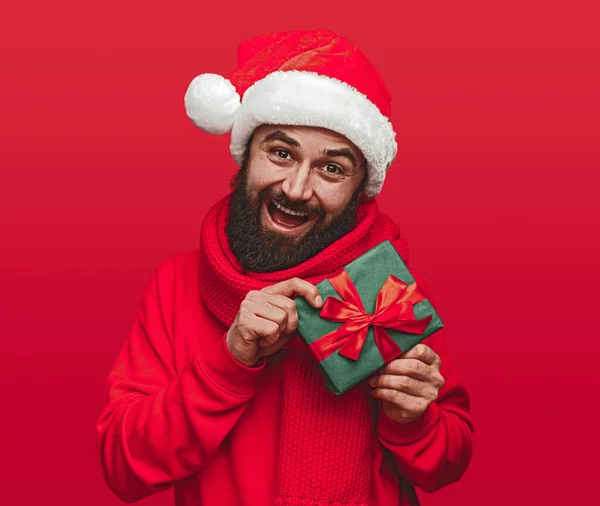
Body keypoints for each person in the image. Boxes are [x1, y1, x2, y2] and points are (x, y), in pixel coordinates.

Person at [96, 30, 473, 506]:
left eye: (331, 169)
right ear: (245, 156)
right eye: (280, 153)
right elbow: (123, 466)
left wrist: (413, 420)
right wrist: (228, 360)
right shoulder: (176, 283)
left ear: (361, 189)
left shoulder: (383, 285)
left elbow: (448, 461)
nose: (296, 188)